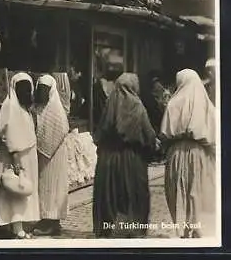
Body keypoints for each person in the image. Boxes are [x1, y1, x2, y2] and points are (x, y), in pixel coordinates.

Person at [92, 73, 158, 238]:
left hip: (109, 160)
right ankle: (133, 229)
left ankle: (109, 229)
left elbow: (100, 134)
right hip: (132, 159)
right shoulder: (137, 106)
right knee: (134, 194)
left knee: (110, 196)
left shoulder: (110, 105)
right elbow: (148, 136)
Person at [160, 69, 216, 238]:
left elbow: (164, 134)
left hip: (176, 153)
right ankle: (198, 227)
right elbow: (213, 135)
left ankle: (184, 229)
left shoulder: (173, 104)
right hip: (199, 153)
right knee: (198, 191)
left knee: (178, 190)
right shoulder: (206, 104)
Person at [0, 72, 40, 239]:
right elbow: (9, 136)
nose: (26, 93)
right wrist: (17, 162)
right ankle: (15, 226)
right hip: (14, 158)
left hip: (25, 157)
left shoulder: (23, 108)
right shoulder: (10, 107)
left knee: (21, 193)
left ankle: (18, 225)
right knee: (13, 193)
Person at [32, 75, 70, 236]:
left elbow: (60, 129)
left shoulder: (55, 109)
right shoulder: (40, 107)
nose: (42, 93)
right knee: (45, 186)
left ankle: (52, 221)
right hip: (45, 154)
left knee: (54, 187)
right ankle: (47, 219)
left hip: (55, 154)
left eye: (45, 90)